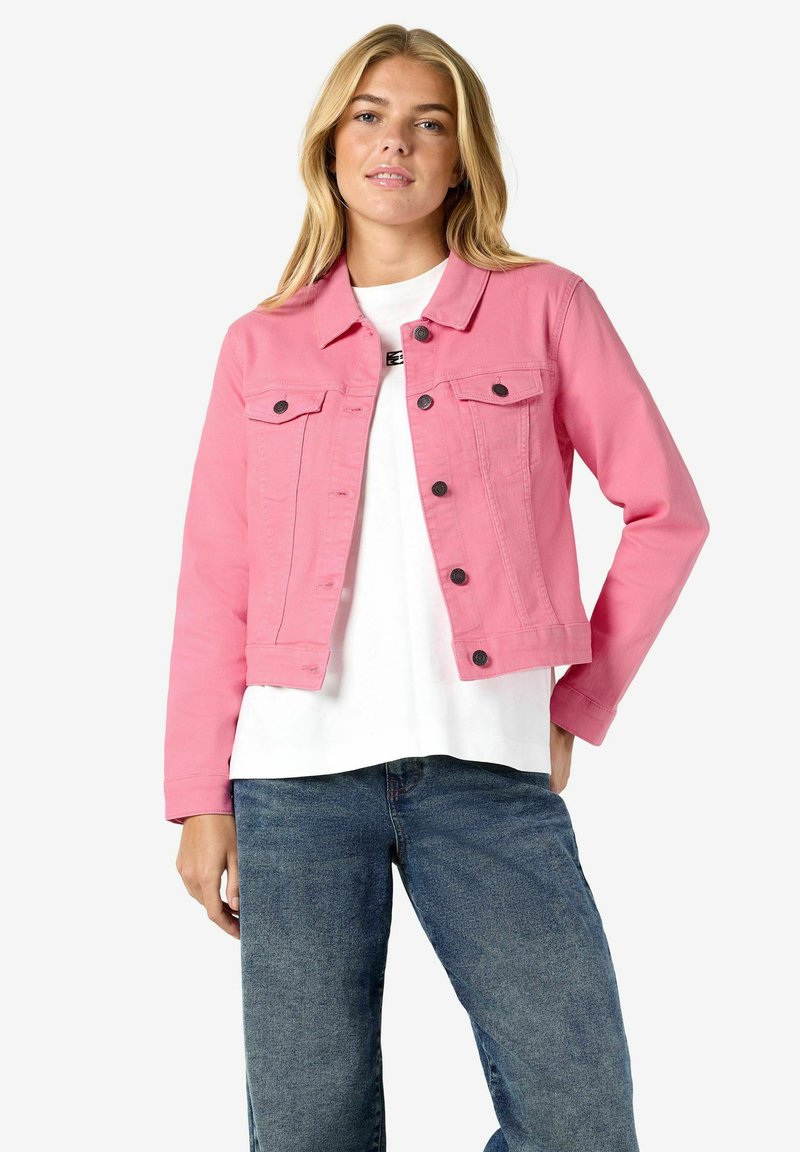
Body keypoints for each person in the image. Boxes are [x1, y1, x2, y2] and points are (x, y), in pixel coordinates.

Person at [163, 23, 709, 1152]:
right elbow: (216, 578)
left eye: (429, 121)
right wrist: (198, 797)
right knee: (307, 1130)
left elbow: (667, 513)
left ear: (463, 157)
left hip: (486, 773)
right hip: (292, 785)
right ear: (329, 145)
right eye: (368, 117)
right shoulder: (260, 344)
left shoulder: (545, 304)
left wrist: (576, 704)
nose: (395, 142)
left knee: (579, 1120)